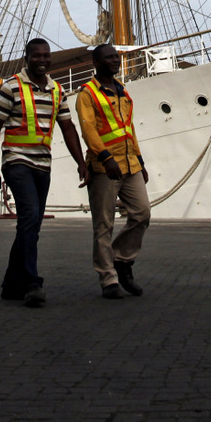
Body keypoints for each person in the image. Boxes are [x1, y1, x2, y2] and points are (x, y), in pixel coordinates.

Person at [0, 37, 86, 307]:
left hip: (43, 163)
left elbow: (67, 127)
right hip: (16, 162)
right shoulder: (11, 87)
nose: (42, 60)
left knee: (32, 225)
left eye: (46, 55)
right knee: (29, 217)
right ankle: (32, 283)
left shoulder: (57, 90)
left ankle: (10, 283)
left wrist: (81, 162)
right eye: (36, 56)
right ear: (26, 58)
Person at [77, 43, 151, 299]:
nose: (114, 61)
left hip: (130, 164)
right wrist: (105, 157)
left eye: (116, 57)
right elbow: (88, 129)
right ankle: (108, 278)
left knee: (142, 213)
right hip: (104, 167)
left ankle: (121, 259)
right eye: (108, 58)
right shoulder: (87, 93)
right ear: (96, 63)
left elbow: (129, 129)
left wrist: (140, 162)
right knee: (104, 224)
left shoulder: (123, 91)